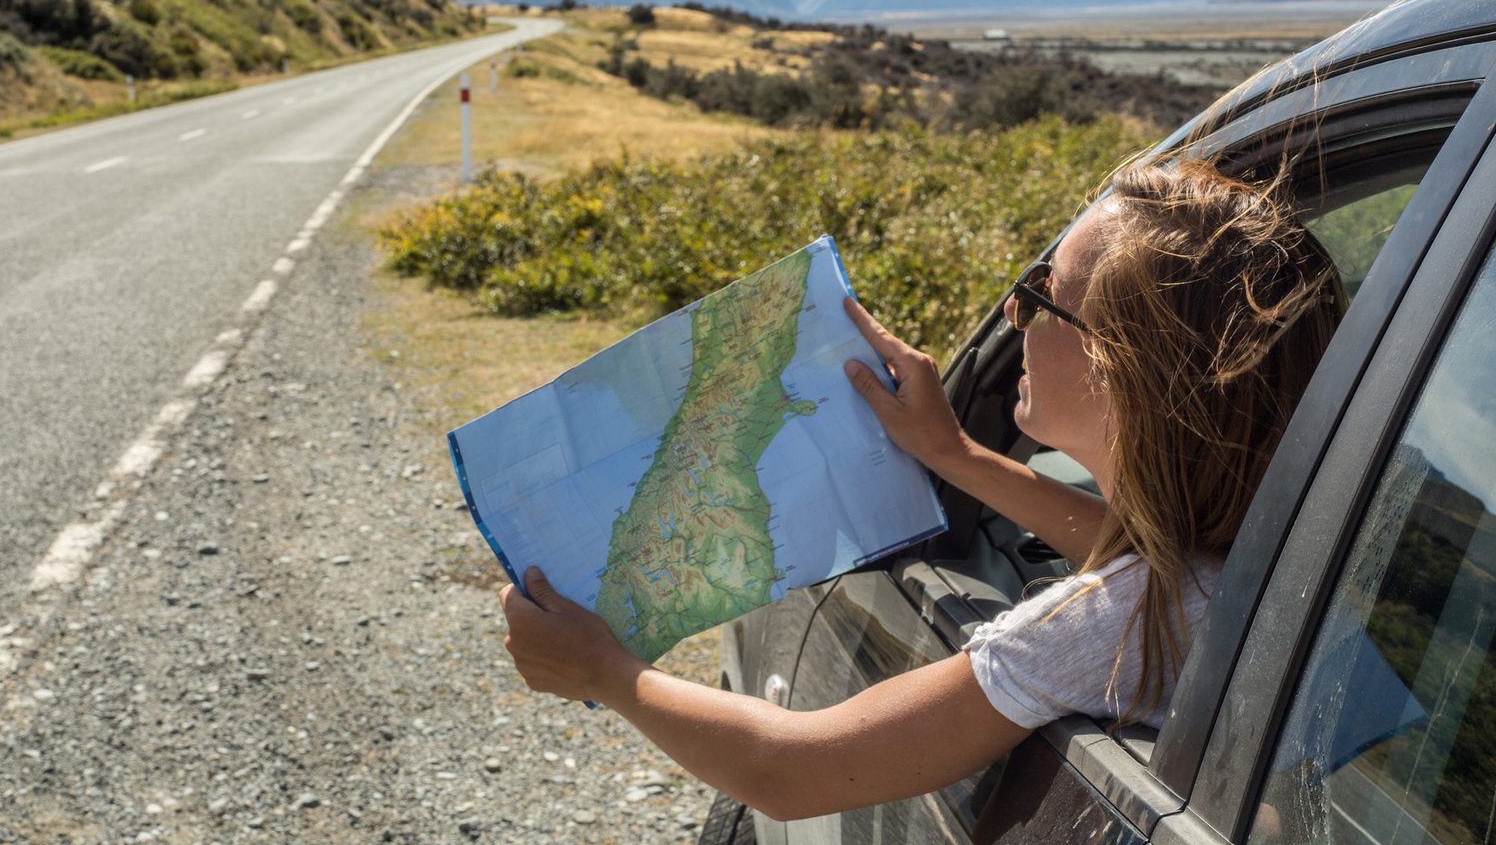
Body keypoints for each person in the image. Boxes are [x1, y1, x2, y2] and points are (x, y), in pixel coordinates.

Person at [497, 155, 1345, 822]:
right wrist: (955, 454)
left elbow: (789, 770)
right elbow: (1149, 559)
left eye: (1041, 299)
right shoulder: (1253, 564)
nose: (1017, 318)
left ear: (1118, 372)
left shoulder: (1099, 628)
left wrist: (606, 671)